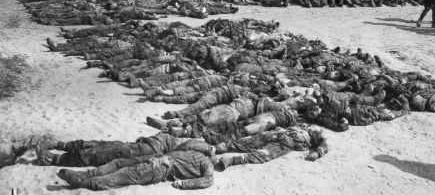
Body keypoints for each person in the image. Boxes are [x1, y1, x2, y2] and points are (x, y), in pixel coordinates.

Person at [56, 150, 215, 190]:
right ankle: (82, 180)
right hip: (160, 166)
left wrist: (183, 183)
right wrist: (183, 184)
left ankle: (83, 178)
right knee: (121, 173)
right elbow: (208, 180)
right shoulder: (207, 163)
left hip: (157, 159)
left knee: (120, 166)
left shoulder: (195, 152)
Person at [35, 132, 215, 167]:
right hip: (140, 145)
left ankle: (53, 159)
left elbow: (184, 148)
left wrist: (211, 151)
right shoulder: (190, 138)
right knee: (99, 145)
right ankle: (58, 145)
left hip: (144, 151)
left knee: (99, 155)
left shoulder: (200, 148)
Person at [217, 124, 328, 170]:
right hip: (277, 134)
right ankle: (221, 148)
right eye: (313, 125)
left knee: (265, 154)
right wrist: (280, 129)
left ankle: (231, 160)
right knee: (251, 140)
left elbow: (324, 144)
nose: (313, 126)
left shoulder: (316, 135)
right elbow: (287, 126)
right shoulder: (302, 125)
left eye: (315, 127)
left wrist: (317, 153)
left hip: (287, 143)